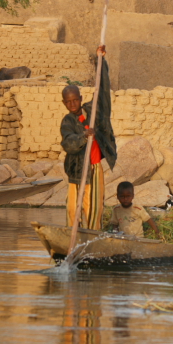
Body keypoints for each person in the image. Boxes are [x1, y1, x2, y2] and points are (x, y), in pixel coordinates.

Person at [61, 45, 117, 230]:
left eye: (75, 100)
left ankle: (92, 238)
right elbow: (68, 143)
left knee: (93, 209)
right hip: (77, 171)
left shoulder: (91, 111)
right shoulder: (67, 121)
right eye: (68, 101)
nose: (72, 104)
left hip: (93, 169)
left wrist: (101, 62)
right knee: (72, 209)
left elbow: (102, 92)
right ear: (64, 103)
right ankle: (72, 238)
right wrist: (84, 136)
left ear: (80, 97)